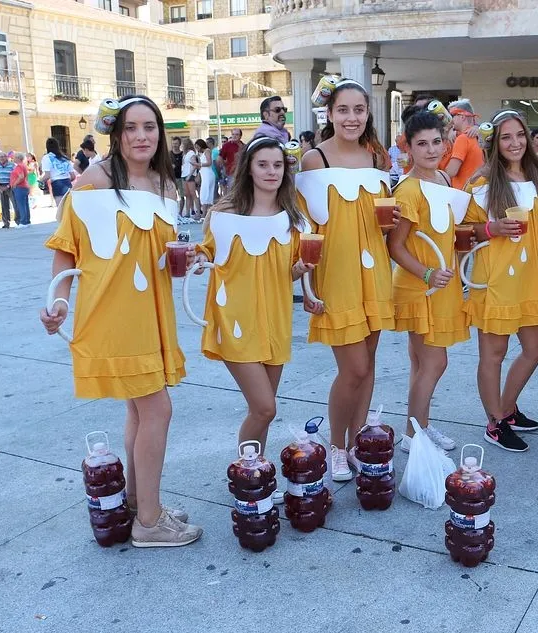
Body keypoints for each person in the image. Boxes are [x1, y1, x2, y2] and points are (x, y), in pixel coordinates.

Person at [40, 94, 201, 547]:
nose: (141, 136)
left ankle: (136, 501)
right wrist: (60, 303)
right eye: (131, 127)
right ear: (116, 132)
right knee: (158, 410)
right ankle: (149, 522)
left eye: (150, 127)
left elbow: (158, 253)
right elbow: (67, 249)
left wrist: (184, 259)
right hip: (113, 314)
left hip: (152, 312)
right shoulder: (94, 179)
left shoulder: (165, 185)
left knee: (138, 410)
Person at [190, 137, 313, 499]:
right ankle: (246, 478)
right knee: (264, 407)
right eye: (263, 164)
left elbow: (289, 271)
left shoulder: (292, 218)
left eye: (277, 165)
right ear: (248, 168)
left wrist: (302, 270)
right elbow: (206, 251)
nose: (271, 171)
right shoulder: (224, 213)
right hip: (234, 319)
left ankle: (257, 476)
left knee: (263, 410)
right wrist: (198, 257)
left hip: (274, 320)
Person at [296, 78, 397, 481]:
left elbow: (383, 219)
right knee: (353, 368)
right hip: (336, 273)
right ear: (329, 113)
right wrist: (305, 286)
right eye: (343, 110)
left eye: (359, 109)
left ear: (368, 113)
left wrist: (391, 222)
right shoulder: (314, 159)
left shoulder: (377, 157)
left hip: (375, 270)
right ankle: (336, 447)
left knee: (368, 364)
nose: (351, 118)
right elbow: (304, 228)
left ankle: (357, 443)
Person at [463, 109, 538, 453]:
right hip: (495, 278)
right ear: (494, 142)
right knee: (494, 354)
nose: (514, 143)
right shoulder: (482, 182)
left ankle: (506, 408)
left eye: (519, 135)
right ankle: (494, 423)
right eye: (506, 137)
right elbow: (461, 230)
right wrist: (491, 228)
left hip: (529, 279)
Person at [387, 111, 469, 454]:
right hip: (420, 288)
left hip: (442, 285)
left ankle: (418, 425)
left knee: (422, 364)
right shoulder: (408, 190)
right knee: (435, 363)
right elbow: (395, 246)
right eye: (422, 144)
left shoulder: (443, 179)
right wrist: (427, 274)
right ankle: (413, 437)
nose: (431, 149)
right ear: (408, 147)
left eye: (436, 142)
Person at [444, 99, 486, 191]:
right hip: (477, 192)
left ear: (462, 116)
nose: (450, 121)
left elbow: (451, 172)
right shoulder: (480, 136)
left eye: (452, 116)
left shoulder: (463, 139)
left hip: (463, 194)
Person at [42, 137, 74, 209]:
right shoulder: (65, 158)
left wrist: (40, 181)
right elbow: (73, 176)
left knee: (60, 209)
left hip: (57, 183)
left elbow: (47, 175)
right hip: (68, 183)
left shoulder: (46, 158)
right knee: (69, 208)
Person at [0, 151, 15, 228]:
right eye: (0, 157)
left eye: (3, 156)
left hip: (10, 186)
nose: (1, 158)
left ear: (6, 157)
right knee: (4, 205)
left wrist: (8, 186)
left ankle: (18, 221)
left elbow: (14, 177)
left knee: (15, 204)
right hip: (1, 185)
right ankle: (6, 223)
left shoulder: (12, 165)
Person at [180, 138, 200, 222]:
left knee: (193, 194)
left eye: (183, 144)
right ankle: (187, 213)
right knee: (187, 195)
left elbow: (194, 165)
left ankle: (198, 213)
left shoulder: (191, 153)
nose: (182, 145)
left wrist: (190, 175)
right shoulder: (185, 154)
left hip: (189, 175)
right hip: (184, 175)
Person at [9, 151, 30, 226]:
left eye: (14, 157)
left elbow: (21, 176)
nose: (13, 159)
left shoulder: (19, 166)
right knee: (25, 204)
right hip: (24, 186)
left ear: (18, 158)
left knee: (21, 205)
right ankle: (27, 221)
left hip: (20, 187)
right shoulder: (23, 165)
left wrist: (15, 183)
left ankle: (23, 222)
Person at [195, 139, 215, 215]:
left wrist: (199, 164)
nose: (197, 148)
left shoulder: (207, 151)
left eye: (197, 146)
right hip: (204, 174)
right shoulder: (203, 153)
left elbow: (209, 162)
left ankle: (204, 214)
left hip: (208, 174)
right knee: (206, 193)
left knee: (205, 193)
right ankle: (206, 213)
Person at [170, 137, 185, 216]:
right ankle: (172, 212)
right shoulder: (169, 154)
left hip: (181, 178)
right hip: (170, 178)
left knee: (181, 196)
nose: (174, 145)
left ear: (179, 144)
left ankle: (180, 213)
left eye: (176, 143)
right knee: (170, 196)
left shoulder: (183, 154)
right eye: (173, 143)